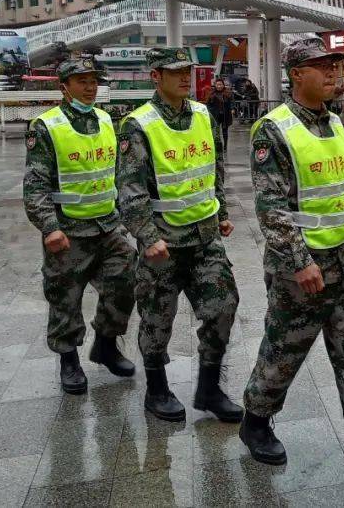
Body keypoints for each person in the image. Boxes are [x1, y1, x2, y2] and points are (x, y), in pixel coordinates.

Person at [240, 37, 344, 481]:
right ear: (296, 75)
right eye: (321, 67)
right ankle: (255, 421)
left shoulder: (334, 121)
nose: (333, 74)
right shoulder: (274, 129)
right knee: (285, 347)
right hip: (302, 264)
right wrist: (299, 260)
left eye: (335, 66)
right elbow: (270, 208)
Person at [117, 47, 242, 423]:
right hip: (163, 243)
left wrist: (220, 208)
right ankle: (156, 390)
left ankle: (208, 389)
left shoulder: (204, 114)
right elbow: (130, 189)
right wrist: (146, 236)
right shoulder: (138, 124)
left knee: (223, 307)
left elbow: (214, 166)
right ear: (155, 76)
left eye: (187, 70)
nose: (184, 77)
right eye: (174, 72)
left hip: (205, 238)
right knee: (157, 318)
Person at [23, 54, 137, 394]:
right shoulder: (46, 127)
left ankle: (105, 343)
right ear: (64, 87)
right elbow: (35, 185)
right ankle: (68, 360)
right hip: (68, 230)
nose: (90, 87)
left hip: (107, 226)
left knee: (126, 279)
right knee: (65, 297)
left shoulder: (105, 120)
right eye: (81, 81)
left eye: (93, 81)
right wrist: (49, 227)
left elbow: (116, 172)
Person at [206, 78, 234, 153]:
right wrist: (210, 112)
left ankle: (225, 146)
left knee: (225, 131)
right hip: (215, 116)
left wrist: (232, 109)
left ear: (223, 85)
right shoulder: (211, 94)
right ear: (215, 85)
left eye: (220, 84)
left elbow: (231, 103)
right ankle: (217, 146)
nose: (219, 86)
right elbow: (208, 105)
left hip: (225, 115)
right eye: (217, 84)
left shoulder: (227, 93)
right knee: (216, 132)